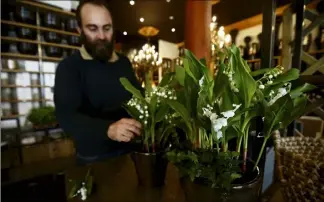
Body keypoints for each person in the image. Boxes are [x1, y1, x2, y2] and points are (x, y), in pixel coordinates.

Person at [54, 0, 142, 165]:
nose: (102, 36)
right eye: (93, 28)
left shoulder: (124, 63)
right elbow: (67, 117)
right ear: (79, 30)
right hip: (94, 158)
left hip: (131, 151)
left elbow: (139, 98)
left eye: (107, 28)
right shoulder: (69, 67)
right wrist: (108, 129)